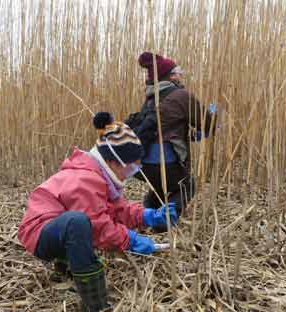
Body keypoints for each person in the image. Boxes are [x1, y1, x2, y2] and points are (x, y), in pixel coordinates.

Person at [18, 112, 178, 312]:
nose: (129, 175)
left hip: (58, 230)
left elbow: (117, 209)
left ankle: (64, 268)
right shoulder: (84, 180)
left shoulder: (98, 176)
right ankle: (95, 303)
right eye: (129, 169)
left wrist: (147, 216)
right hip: (42, 235)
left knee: (77, 224)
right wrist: (129, 240)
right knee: (77, 223)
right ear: (113, 162)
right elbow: (98, 228)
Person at [125, 52, 216, 230]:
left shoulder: (151, 96)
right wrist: (214, 116)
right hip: (165, 162)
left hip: (141, 164)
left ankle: (145, 218)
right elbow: (207, 124)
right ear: (170, 76)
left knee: (160, 187)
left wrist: (190, 135)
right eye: (177, 71)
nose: (180, 75)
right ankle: (162, 224)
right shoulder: (181, 96)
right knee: (186, 186)